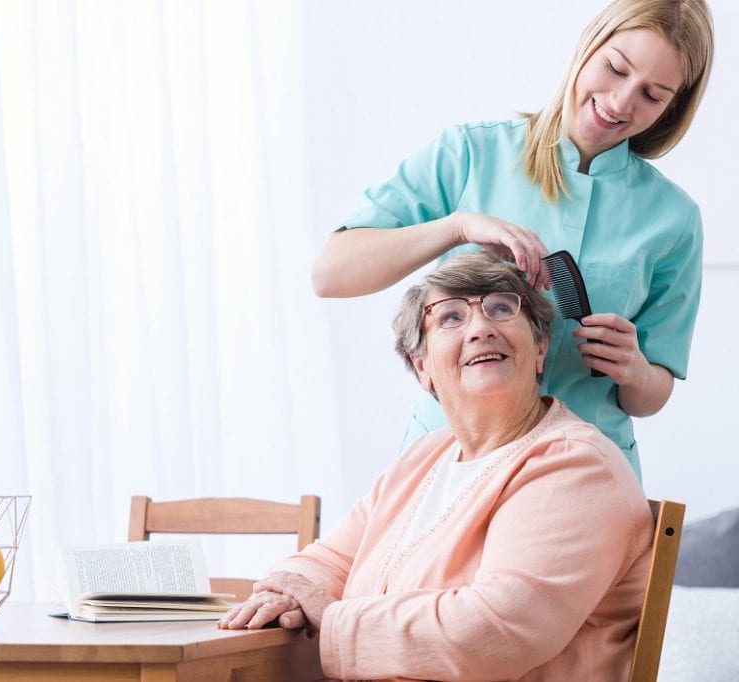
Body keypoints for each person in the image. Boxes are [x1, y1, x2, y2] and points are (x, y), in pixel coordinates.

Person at [311, 0, 714, 479]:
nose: (622, 102)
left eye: (653, 94)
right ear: (589, 46)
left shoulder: (674, 219)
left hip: (585, 475)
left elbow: (653, 392)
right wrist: (457, 227)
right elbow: (331, 273)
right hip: (452, 462)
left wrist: (636, 370)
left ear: (673, 107)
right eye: (615, 68)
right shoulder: (469, 154)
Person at [220, 252, 654, 681]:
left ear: (540, 349)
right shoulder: (424, 457)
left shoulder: (575, 466)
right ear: (422, 366)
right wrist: (285, 590)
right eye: (449, 318)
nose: (481, 328)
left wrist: (331, 617)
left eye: (502, 309)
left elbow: (493, 632)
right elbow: (330, 560)